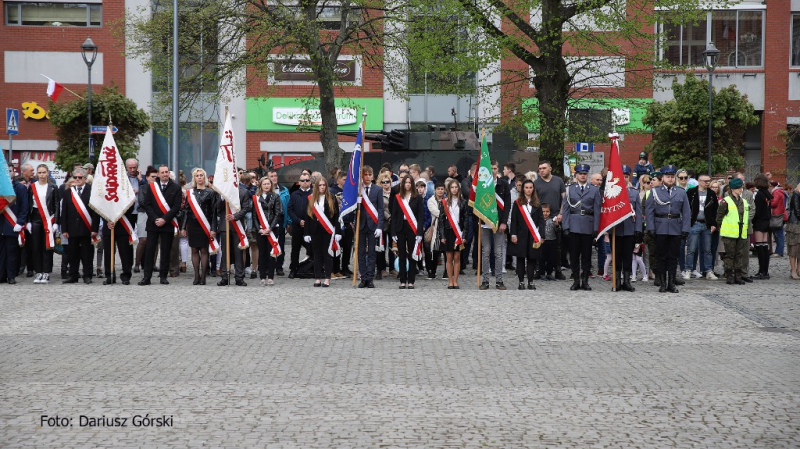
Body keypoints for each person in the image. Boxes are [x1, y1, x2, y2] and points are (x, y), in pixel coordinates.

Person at [645, 165, 691, 293]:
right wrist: (650, 227)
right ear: (663, 178)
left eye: (672, 177)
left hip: (676, 227)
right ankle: (662, 283)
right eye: (667, 177)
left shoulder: (681, 192)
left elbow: (686, 212)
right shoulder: (655, 192)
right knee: (661, 256)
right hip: (660, 226)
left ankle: (671, 283)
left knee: (673, 257)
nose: (670, 179)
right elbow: (649, 211)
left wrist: (686, 228)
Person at [139, 165, 182, 285]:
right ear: (158, 174)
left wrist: (164, 219)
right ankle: (147, 277)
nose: (165, 174)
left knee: (165, 250)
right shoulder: (151, 187)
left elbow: (176, 207)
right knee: (150, 251)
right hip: (153, 223)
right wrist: (155, 219)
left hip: (167, 223)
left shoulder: (176, 188)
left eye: (166, 172)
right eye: (162, 172)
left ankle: (163, 276)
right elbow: (147, 204)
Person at [560, 163, 601, 291]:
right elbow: (566, 209)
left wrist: (596, 228)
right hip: (573, 225)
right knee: (573, 255)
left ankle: (585, 280)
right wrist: (565, 226)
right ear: (576, 175)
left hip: (588, 225)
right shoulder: (570, 189)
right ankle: (576, 280)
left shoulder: (594, 190)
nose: (583, 176)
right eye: (580, 174)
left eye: (585, 174)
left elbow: (597, 210)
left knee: (587, 255)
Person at [60, 167, 98, 284]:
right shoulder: (68, 192)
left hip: (86, 227)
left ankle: (87, 275)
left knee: (87, 253)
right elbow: (64, 212)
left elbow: (95, 212)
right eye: (75, 177)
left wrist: (94, 228)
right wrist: (64, 229)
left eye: (80, 177)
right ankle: (73, 275)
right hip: (72, 228)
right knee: (72, 253)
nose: (77, 179)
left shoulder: (92, 191)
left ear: (85, 179)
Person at [180, 168, 217, 285]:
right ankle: (196, 276)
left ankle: (203, 277)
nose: (199, 177)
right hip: (192, 224)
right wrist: (183, 227)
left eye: (201, 175)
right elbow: (186, 210)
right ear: (194, 178)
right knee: (194, 249)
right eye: (197, 176)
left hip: (205, 224)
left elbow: (214, 212)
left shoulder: (210, 192)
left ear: (204, 177)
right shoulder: (190, 192)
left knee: (204, 250)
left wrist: (213, 228)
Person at [479, 161, 512, 291]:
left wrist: (504, 222)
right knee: (485, 251)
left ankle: (499, 280)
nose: (492, 170)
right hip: (485, 222)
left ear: (497, 169)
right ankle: (485, 281)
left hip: (499, 222)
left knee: (498, 252)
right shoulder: (482, 185)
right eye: (490, 168)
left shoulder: (503, 184)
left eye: (494, 168)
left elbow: (507, 205)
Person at [215, 178, 253, 287]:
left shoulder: (244, 191)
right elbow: (217, 208)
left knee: (238, 253)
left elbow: (245, 208)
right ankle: (224, 277)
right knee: (225, 253)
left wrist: (235, 216)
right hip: (224, 225)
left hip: (238, 226)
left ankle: (239, 277)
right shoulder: (222, 191)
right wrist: (222, 198)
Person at [610, 165, 643, 292]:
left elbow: (638, 213)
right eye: (621, 176)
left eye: (626, 176)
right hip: (616, 229)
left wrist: (638, 229)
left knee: (627, 257)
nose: (624, 178)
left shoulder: (633, 192)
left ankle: (627, 281)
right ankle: (617, 281)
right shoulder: (612, 193)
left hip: (629, 228)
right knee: (616, 255)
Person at [390, 175, 425, 289]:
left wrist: (419, 233)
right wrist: (393, 233)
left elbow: (420, 216)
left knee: (412, 254)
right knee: (401, 255)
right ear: (403, 184)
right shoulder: (397, 197)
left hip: (412, 228)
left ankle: (411, 280)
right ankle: (402, 280)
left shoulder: (418, 198)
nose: (408, 184)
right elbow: (394, 217)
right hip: (400, 227)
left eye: (410, 182)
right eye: (406, 182)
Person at [305, 177, 340, 287]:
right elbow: (308, 217)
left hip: (328, 230)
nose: (322, 187)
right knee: (317, 255)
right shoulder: (311, 199)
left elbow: (336, 216)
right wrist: (306, 233)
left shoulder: (332, 198)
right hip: (315, 230)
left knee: (327, 254)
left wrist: (338, 231)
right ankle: (317, 277)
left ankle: (327, 278)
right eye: (320, 185)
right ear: (316, 187)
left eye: (324, 185)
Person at [509, 179, 544, 290]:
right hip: (521, 234)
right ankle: (521, 282)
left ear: (533, 189)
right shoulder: (517, 203)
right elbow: (514, 220)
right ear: (522, 189)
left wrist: (542, 236)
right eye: (526, 187)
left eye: (530, 187)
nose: (528, 190)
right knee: (520, 258)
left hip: (533, 235)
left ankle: (531, 281)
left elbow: (541, 220)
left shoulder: (537, 203)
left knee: (532, 258)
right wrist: (513, 234)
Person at [535, 161, 566, 280]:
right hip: (541, 218)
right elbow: (534, 201)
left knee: (557, 246)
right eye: (540, 168)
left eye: (544, 168)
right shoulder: (536, 183)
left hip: (556, 217)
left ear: (550, 169)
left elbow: (564, 198)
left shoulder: (558, 181)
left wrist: (561, 214)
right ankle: (539, 269)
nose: (541, 170)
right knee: (540, 244)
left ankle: (557, 269)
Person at [28, 164, 59, 284]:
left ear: (48, 173)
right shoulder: (32, 187)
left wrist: (56, 221)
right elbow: (29, 204)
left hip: (48, 218)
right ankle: (38, 272)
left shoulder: (53, 187)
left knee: (47, 246)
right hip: (35, 217)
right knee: (36, 246)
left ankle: (46, 272)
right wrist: (28, 221)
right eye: (39, 173)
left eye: (44, 172)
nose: (42, 175)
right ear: (37, 174)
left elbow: (56, 205)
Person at [96, 196, 137, 286]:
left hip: (123, 224)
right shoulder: (105, 188)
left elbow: (131, 205)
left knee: (125, 252)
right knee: (108, 252)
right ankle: (110, 276)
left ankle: (126, 275)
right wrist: (107, 220)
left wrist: (118, 216)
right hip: (108, 226)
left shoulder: (125, 187)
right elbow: (101, 207)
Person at [686, 173, 719, 280]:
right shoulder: (691, 193)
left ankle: (708, 270)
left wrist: (714, 224)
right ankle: (688, 270)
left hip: (707, 224)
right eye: (705, 181)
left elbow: (715, 211)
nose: (708, 183)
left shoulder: (711, 194)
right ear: (699, 181)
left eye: (709, 181)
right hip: (694, 223)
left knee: (707, 249)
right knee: (691, 249)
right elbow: (686, 209)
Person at [355, 165, 384, 289]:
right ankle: (363, 278)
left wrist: (379, 226)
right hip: (360, 225)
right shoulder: (358, 189)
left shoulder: (378, 189)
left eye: (369, 175)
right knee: (361, 253)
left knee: (372, 253)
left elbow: (381, 208)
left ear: (373, 176)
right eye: (365, 175)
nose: (367, 177)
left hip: (373, 224)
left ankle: (370, 278)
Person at [717, 177, 750, 284]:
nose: (741, 190)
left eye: (741, 187)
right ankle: (729, 274)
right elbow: (719, 217)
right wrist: (721, 229)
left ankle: (738, 275)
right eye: (738, 188)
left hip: (741, 233)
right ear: (732, 189)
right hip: (729, 234)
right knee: (730, 255)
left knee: (739, 255)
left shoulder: (744, 202)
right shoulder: (725, 202)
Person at [252, 177, 283, 286]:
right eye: (264, 184)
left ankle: (270, 276)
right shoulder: (256, 198)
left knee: (272, 253)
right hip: (260, 230)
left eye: (268, 184)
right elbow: (254, 216)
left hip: (272, 229)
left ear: (271, 185)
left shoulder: (276, 197)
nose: (266, 186)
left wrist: (270, 228)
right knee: (262, 253)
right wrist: (259, 229)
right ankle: (262, 277)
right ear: (260, 185)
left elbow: (278, 213)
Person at [0, 172, 29, 284]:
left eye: (9, 171)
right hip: (1, 223)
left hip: (12, 224)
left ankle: (11, 276)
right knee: (1, 252)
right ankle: (1, 275)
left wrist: (20, 222)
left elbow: (24, 207)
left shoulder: (20, 188)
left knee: (12, 252)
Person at [438, 178, 467, 288]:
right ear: (448, 189)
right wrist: (442, 236)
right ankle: (450, 281)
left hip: (458, 233)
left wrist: (464, 235)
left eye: (456, 187)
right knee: (449, 258)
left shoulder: (463, 202)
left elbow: (465, 221)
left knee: (457, 257)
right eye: (452, 187)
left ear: (458, 189)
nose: (454, 189)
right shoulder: (444, 202)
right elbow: (441, 220)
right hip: (448, 231)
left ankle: (456, 280)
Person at [287, 172, 313, 278]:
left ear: (310, 181)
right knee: (295, 249)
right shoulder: (294, 194)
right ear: (299, 182)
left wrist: (309, 222)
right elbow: (290, 209)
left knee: (311, 247)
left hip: (310, 226)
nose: (305, 182)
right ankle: (293, 269)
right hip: (297, 226)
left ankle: (312, 268)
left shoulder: (313, 194)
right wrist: (298, 221)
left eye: (307, 180)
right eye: (303, 180)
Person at [134, 167, 157, 273]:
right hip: (144, 213)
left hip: (156, 214)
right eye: (152, 177)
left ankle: (153, 263)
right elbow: (142, 201)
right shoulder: (143, 187)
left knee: (155, 240)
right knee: (143, 240)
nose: (154, 179)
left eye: (156, 177)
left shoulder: (159, 188)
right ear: (147, 177)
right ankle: (137, 264)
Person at [268, 169, 290, 276]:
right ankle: (268, 266)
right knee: (268, 244)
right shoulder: (265, 190)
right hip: (268, 220)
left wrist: (288, 222)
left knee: (280, 243)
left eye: (275, 175)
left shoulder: (284, 190)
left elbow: (288, 206)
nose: (274, 178)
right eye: (271, 176)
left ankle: (279, 266)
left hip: (281, 219)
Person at [751, 174, 773, 279]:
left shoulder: (759, 194)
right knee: (765, 246)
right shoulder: (767, 194)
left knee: (759, 247)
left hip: (759, 222)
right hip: (766, 221)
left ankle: (761, 271)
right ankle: (765, 271)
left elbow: (757, 211)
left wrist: (753, 221)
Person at [425, 182, 445, 280]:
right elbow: (436, 212)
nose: (440, 191)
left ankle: (447, 272)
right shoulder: (431, 200)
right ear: (435, 190)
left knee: (446, 250)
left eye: (442, 189)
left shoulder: (447, 200)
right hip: (436, 227)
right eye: (438, 189)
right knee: (435, 250)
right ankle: (432, 271)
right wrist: (446, 213)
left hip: (447, 227)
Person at [376, 171, 394, 279]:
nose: (386, 184)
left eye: (388, 181)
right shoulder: (378, 193)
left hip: (393, 223)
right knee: (381, 246)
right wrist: (389, 216)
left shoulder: (394, 192)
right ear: (380, 183)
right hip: (383, 222)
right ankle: (382, 269)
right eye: (383, 182)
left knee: (393, 246)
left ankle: (392, 268)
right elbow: (380, 207)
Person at [785, 183, 800, 279]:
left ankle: (799, 270)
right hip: (795, 224)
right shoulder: (796, 194)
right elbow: (797, 210)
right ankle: (793, 270)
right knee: (794, 248)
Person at [770, 181, 786, 258]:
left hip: (777, 215)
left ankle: (779, 251)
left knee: (779, 234)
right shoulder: (779, 191)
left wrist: (768, 201)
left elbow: (774, 203)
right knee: (779, 234)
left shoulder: (776, 192)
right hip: (779, 214)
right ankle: (779, 251)